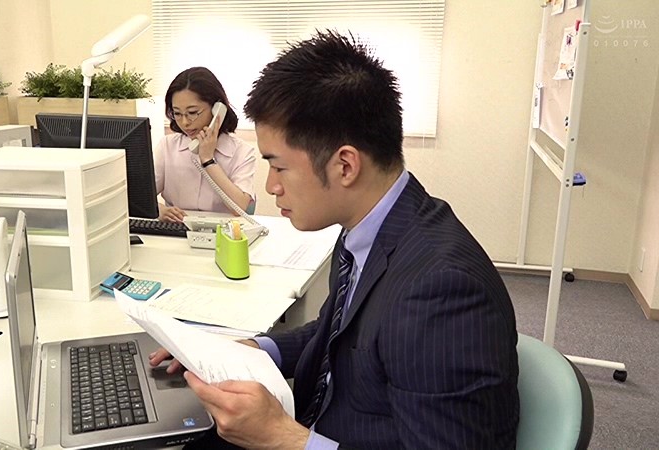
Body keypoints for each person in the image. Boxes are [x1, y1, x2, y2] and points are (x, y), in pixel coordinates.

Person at [151, 31, 519, 449]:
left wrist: (285, 438)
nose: (271, 187)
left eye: (279, 167)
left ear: (345, 165)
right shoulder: (367, 228)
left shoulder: (442, 290)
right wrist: (243, 350)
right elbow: (336, 334)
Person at [154, 67, 256, 222]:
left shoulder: (242, 152)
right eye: (177, 113)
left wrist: (208, 160)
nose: (185, 122)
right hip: (177, 230)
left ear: (217, 109)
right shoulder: (167, 146)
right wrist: (158, 210)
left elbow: (242, 208)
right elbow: (138, 198)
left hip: (223, 231)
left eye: (192, 113)